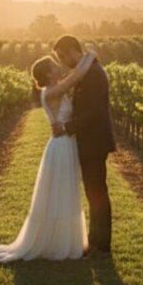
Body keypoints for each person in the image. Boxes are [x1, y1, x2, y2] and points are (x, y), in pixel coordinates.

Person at [0, 49, 97, 262]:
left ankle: (66, 240)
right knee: (62, 193)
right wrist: (90, 55)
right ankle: (60, 244)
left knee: (66, 192)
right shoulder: (51, 92)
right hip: (61, 147)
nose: (59, 68)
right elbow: (77, 76)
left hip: (64, 144)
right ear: (47, 75)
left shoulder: (53, 90)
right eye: (54, 67)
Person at [51, 35, 116, 256]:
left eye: (62, 56)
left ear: (72, 51)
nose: (62, 61)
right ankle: (95, 241)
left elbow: (93, 113)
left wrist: (67, 127)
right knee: (93, 191)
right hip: (90, 141)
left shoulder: (94, 74)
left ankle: (103, 246)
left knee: (97, 191)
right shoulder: (86, 71)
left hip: (95, 141)